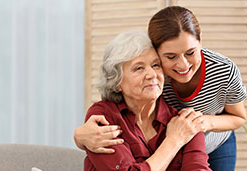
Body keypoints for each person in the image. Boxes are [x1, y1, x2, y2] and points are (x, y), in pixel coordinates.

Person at [75, 6, 247, 171]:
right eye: (139, 68)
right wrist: (79, 137)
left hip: (209, 134)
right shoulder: (107, 117)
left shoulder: (221, 72)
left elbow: (238, 117)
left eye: (155, 65)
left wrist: (202, 123)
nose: (182, 64)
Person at [82, 31, 211, 170]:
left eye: (156, 65)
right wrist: (174, 140)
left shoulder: (185, 122)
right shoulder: (103, 117)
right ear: (117, 81)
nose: (151, 74)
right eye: (139, 68)